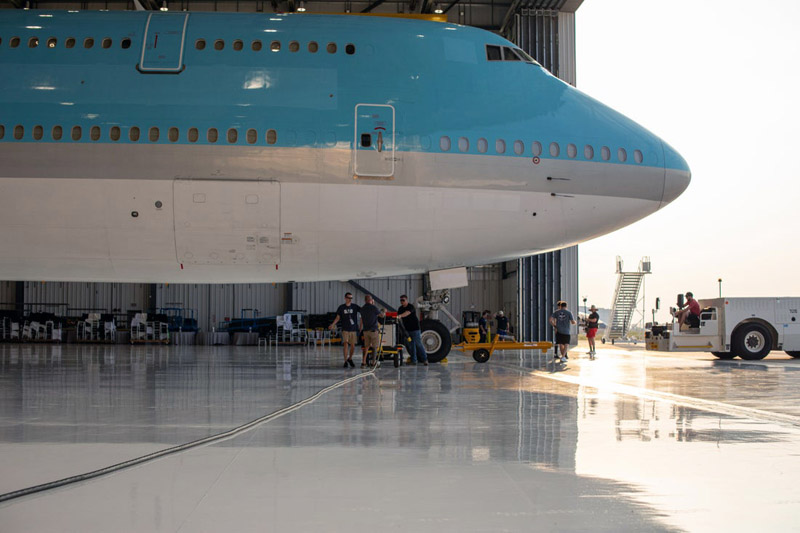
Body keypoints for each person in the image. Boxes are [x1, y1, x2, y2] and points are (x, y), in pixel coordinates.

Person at [329, 292, 360, 368]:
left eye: (351, 298)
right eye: (348, 298)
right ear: (345, 298)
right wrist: (332, 324)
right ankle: (345, 361)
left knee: (353, 346)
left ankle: (350, 358)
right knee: (345, 344)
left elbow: (363, 311)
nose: (350, 299)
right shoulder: (341, 307)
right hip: (345, 329)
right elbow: (338, 317)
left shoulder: (355, 306)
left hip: (353, 329)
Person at [397, 294, 428, 366]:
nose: (402, 302)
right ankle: (414, 360)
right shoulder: (400, 308)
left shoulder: (411, 307)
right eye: (401, 300)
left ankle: (425, 359)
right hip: (407, 330)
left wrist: (400, 316)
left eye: (403, 300)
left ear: (406, 300)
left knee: (418, 344)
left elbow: (407, 313)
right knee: (411, 345)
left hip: (415, 329)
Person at [359, 294, 385, 368]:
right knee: (374, 347)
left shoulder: (362, 308)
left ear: (365, 300)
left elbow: (362, 319)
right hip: (373, 330)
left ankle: (363, 362)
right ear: (371, 300)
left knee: (366, 347)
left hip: (365, 331)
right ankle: (373, 363)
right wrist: (383, 311)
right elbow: (381, 315)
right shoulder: (373, 307)